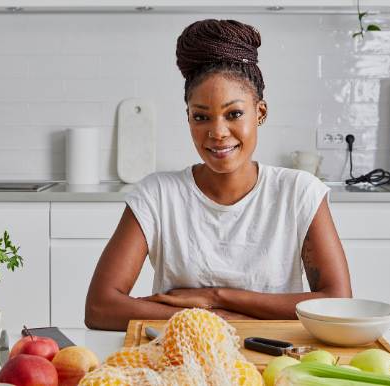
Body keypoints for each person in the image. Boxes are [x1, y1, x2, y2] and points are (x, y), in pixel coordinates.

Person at [85, 19, 352, 331]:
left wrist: (215, 297)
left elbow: (337, 304)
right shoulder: (157, 194)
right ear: (188, 118)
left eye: (234, 114)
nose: (217, 132)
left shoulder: (298, 192)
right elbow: (100, 307)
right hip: (180, 361)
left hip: (273, 360)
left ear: (261, 113)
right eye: (201, 117)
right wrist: (217, 320)